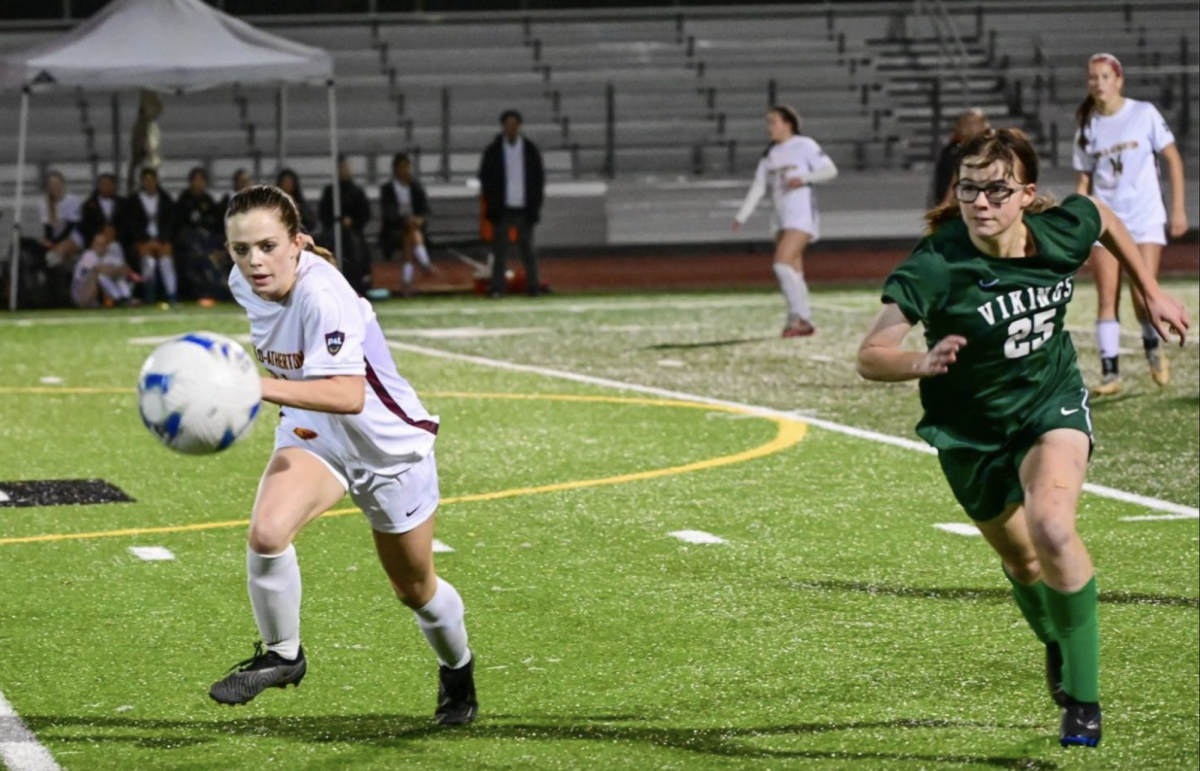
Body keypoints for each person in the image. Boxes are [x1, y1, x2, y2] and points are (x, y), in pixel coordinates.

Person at [856, 128, 1189, 748]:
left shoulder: (1058, 231)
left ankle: (1083, 702)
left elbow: (1102, 216)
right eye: (968, 189)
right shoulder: (938, 262)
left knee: (1053, 528)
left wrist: (1148, 289)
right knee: (1023, 561)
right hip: (969, 431)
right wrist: (920, 363)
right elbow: (871, 355)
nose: (980, 203)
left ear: (1027, 194)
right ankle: (1056, 640)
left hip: (1048, 402)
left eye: (996, 190)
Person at [211, 185, 477, 726]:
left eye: (267, 246)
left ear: (297, 243)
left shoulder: (324, 294)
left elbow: (348, 394)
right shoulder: (244, 283)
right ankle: (283, 654)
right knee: (267, 534)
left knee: (415, 590)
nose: (254, 261)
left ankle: (458, 672)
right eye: (241, 249)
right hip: (317, 432)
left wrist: (249, 385)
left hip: (387, 449)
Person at [1073, 53, 1189, 396]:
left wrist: (1178, 209)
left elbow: (1173, 160)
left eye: (1105, 76)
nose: (1098, 83)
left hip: (1144, 217)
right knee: (1106, 296)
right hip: (1106, 221)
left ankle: (1152, 347)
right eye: (1093, 77)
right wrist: (1078, 226)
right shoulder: (1087, 126)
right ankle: (1110, 374)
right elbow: (1084, 181)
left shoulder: (1144, 113)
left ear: (1119, 80)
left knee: (1142, 293)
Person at [732, 104, 838, 337]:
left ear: (787, 123)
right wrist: (742, 216)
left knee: (781, 264)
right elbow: (759, 187)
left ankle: (798, 317)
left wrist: (804, 178)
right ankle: (803, 320)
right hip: (781, 219)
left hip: (801, 216)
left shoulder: (804, 145)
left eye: (773, 122)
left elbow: (829, 170)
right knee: (793, 270)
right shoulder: (771, 154)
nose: (768, 127)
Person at [479, 109, 546, 297]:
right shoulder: (493, 151)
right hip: (502, 209)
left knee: (528, 250)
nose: (511, 128)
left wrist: (535, 205)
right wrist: (493, 203)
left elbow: (538, 179)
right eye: (508, 125)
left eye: (514, 124)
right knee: (500, 251)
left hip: (524, 208)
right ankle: (498, 287)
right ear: (503, 127)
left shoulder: (530, 150)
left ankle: (533, 286)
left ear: (519, 126)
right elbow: (486, 178)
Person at [378, 152, 433, 296]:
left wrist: (420, 219)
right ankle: (424, 261)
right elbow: (389, 214)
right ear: (395, 168)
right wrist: (405, 220)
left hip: (413, 229)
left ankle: (407, 284)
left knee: (410, 238)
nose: (405, 170)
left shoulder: (416, 187)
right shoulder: (387, 189)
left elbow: (425, 210)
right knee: (411, 234)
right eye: (402, 166)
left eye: (407, 166)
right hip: (394, 230)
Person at [173, 167, 227, 305]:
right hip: (189, 242)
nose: (198, 183)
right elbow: (178, 224)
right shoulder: (184, 200)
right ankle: (201, 292)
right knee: (199, 257)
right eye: (196, 180)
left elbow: (215, 223)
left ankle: (217, 290)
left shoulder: (208, 200)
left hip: (207, 241)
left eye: (201, 180)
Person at [320, 155, 373, 295]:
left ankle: (359, 282)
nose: (343, 170)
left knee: (356, 247)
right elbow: (323, 214)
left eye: (345, 167)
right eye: (341, 168)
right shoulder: (330, 191)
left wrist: (353, 221)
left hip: (354, 231)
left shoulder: (357, 191)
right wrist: (337, 221)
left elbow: (365, 213)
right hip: (333, 231)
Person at [124, 167, 177, 306]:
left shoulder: (165, 199)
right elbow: (132, 224)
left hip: (161, 240)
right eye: (146, 180)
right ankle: (149, 295)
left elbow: (170, 222)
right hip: (143, 241)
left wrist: (161, 240)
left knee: (166, 261)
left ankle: (172, 295)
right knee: (149, 262)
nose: (149, 183)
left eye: (151, 180)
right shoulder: (134, 201)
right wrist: (144, 241)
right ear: (142, 182)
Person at [931, 108, 990, 206]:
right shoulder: (952, 149)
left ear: (983, 125)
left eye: (972, 123)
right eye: (965, 123)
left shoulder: (987, 149)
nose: (967, 127)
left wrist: (946, 203)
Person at [71, 230, 137, 308]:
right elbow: (99, 269)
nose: (100, 247)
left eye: (103, 245)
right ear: (92, 245)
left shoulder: (106, 256)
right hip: (81, 293)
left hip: (93, 294)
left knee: (116, 276)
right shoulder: (89, 255)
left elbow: (124, 268)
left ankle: (125, 298)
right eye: (98, 244)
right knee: (101, 275)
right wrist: (117, 270)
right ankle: (118, 300)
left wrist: (117, 270)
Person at [79, 172, 126, 248]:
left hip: (119, 242)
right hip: (96, 243)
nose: (106, 187)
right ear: (98, 186)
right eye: (103, 184)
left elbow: (127, 223)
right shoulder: (88, 205)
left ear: (114, 185)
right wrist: (101, 232)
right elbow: (86, 226)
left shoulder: (123, 203)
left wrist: (115, 232)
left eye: (109, 184)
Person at [275, 168, 317, 234]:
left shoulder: (301, 205)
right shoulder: (274, 204)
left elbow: (310, 223)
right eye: (285, 182)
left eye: (289, 182)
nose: (287, 185)